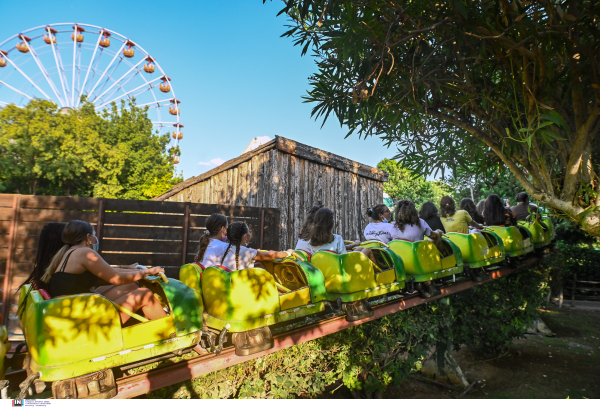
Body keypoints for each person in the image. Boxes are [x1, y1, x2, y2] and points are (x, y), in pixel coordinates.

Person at [41, 220, 166, 324]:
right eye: (94, 235)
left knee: (129, 286)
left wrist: (136, 270)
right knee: (144, 294)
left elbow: (109, 271)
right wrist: (147, 272)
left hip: (76, 314)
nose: (96, 238)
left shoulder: (67, 254)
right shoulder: (85, 253)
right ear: (88, 237)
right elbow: (117, 278)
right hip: (87, 321)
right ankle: (172, 333)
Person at [220, 221, 293, 270]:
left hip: (231, 285)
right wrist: (287, 253)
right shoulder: (246, 252)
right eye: (249, 232)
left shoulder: (227, 249)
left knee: (257, 265)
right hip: (242, 287)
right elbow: (271, 255)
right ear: (245, 236)